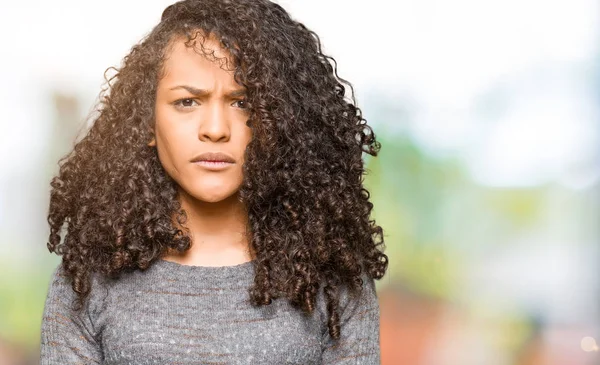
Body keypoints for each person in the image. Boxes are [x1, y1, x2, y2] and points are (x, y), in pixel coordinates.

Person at [39, 0, 389, 363]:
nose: (216, 130)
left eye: (243, 103)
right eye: (188, 102)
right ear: (146, 124)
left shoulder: (334, 280)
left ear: (280, 121)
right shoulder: (85, 282)